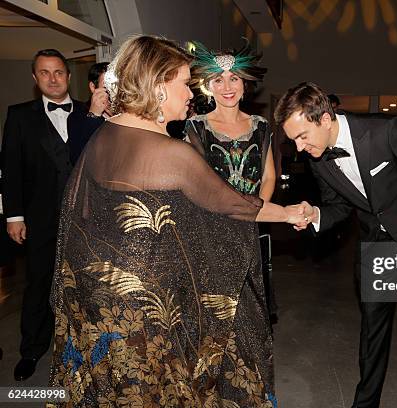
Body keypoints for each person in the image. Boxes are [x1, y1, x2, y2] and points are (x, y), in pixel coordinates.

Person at [48, 35, 305, 407]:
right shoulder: (171, 152)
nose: (191, 94)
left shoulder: (104, 135)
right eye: (184, 83)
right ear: (157, 85)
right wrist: (291, 212)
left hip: (97, 301)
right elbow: (231, 204)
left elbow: (83, 212)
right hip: (147, 313)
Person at [274, 82, 397, 408]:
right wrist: (316, 213)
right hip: (374, 250)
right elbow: (337, 206)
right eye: (293, 139)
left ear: (324, 118)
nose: (299, 146)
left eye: (302, 135)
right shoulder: (318, 158)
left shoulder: (389, 131)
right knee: (372, 336)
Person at [1, 48, 88, 381]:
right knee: (38, 285)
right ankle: (31, 350)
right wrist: (14, 217)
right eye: (45, 73)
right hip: (39, 219)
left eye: (59, 72)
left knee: (83, 286)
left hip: (85, 219)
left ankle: (83, 349)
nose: (53, 79)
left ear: (68, 75)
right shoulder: (20, 115)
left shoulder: (87, 112)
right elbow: (11, 170)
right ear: (35, 78)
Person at [186, 41, 278, 323]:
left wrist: (254, 215)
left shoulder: (260, 125)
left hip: (251, 229)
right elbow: (196, 184)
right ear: (208, 86)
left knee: (252, 309)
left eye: (234, 78)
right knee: (215, 311)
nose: (227, 86)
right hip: (210, 230)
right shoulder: (195, 127)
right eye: (218, 79)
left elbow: (268, 176)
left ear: (244, 83)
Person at [66, 62, 110, 164]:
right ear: (93, 87)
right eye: (108, 86)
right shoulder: (77, 117)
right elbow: (78, 159)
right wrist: (94, 115)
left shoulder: (129, 112)